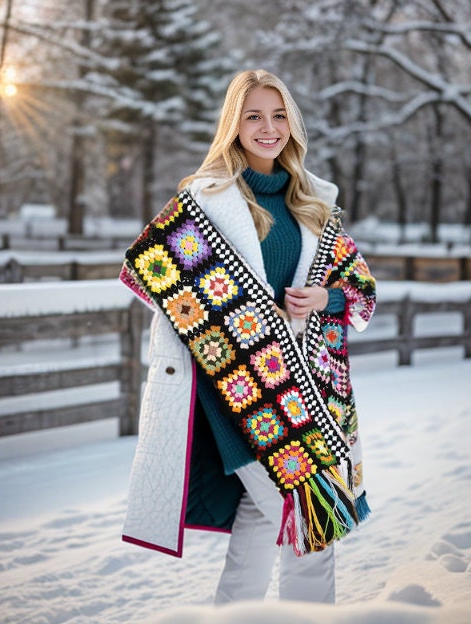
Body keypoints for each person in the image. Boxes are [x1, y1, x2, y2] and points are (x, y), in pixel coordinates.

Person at [119, 69, 376, 604]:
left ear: (293, 124)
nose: (268, 128)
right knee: (315, 522)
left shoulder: (315, 204)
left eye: (279, 115)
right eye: (254, 116)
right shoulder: (205, 201)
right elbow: (146, 268)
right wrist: (228, 325)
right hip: (242, 399)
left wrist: (326, 298)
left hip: (310, 398)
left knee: (264, 519)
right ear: (233, 125)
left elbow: (361, 288)